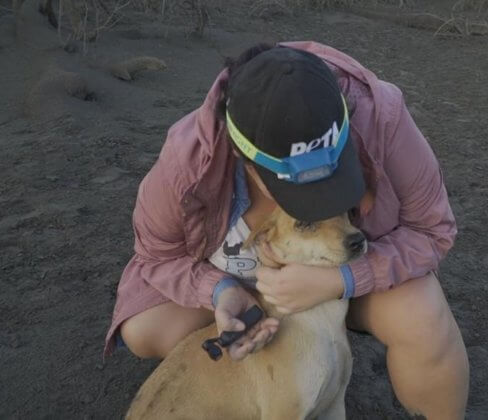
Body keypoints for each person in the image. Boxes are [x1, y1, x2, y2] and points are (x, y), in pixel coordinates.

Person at [104, 41, 469, 420]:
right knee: (145, 328)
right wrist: (220, 290)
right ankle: (250, 383)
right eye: (301, 193)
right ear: (243, 158)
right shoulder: (187, 158)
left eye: (333, 179)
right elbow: (155, 254)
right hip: (244, 288)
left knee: (422, 316)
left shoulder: (381, 116)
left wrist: (341, 280)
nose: (320, 199)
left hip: (350, 272)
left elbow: (433, 229)